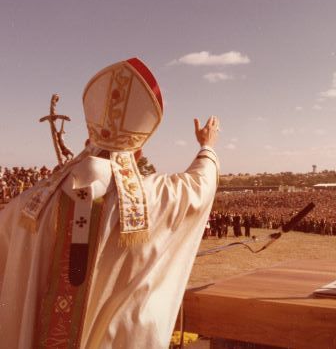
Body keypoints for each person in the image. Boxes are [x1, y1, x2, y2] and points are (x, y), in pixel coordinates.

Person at [0, 57, 220, 349]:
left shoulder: (26, 206)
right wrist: (206, 146)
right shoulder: (156, 198)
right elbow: (200, 185)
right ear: (138, 148)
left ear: (89, 135)